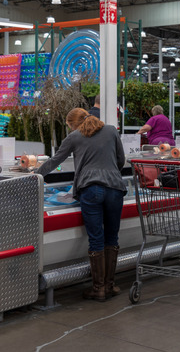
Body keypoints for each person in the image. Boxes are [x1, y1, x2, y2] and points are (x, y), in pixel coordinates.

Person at [36, 108, 126, 301]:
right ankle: (110, 286)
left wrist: (33, 176)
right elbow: (121, 160)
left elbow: (54, 162)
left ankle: (98, 289)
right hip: (115, 188)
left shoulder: (74, 137)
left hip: (91, 190)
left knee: (96, 239)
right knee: (112, 237)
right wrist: (110, 173)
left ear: (73, 124)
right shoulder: (111, 130)